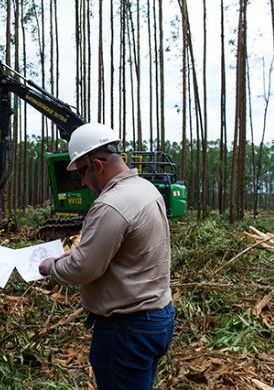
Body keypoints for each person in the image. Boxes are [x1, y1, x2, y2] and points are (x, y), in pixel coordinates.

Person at [39, 123, 174, 390]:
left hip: (126, 329)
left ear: (97, 166)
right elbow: (121, 252)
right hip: (158, 317)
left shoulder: (110, 204)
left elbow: (83, 269)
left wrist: (49, 266)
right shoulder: (146, 189)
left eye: (81, 173)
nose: (81, 182)